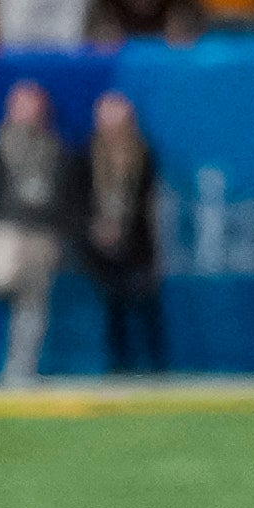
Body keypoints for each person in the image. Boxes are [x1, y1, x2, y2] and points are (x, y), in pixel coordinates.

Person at [0, 80, 77, 381]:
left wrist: (57, 228)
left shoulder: (55, 148)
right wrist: (0, 218)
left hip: (41, 232)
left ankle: (21, 369)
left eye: (34, 105)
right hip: (8, 229)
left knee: (33, 303)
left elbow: (66, 193)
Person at [80, 92, 168, 374]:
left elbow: (149, 203)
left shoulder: (141, 153)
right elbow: (78, 200)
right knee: (114, 307)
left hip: (137, 243)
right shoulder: (87, 153)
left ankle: (156, 366)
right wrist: (96, 230)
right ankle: (119, 366)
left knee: (145, 306)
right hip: (102, 246)